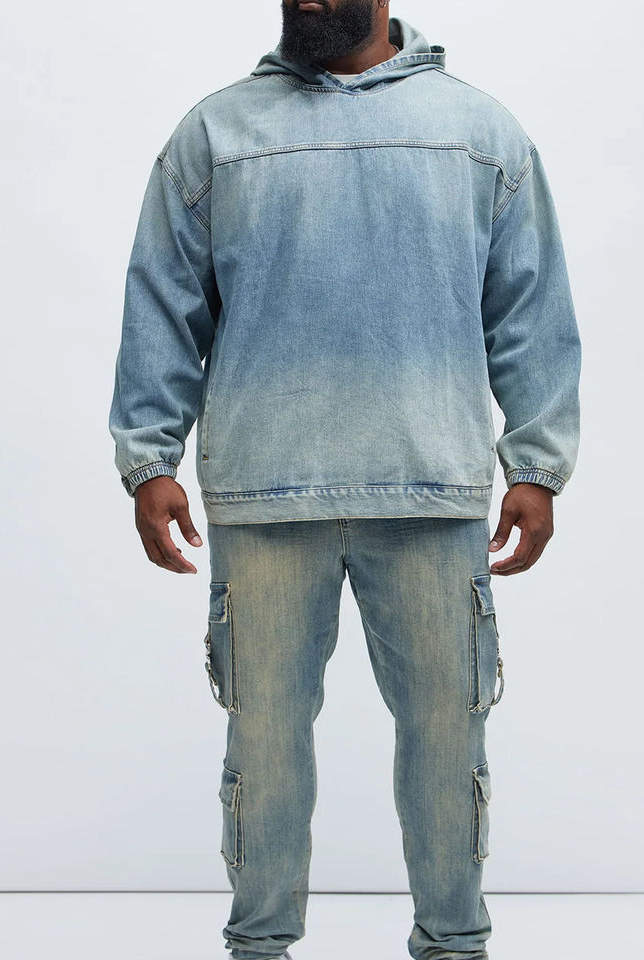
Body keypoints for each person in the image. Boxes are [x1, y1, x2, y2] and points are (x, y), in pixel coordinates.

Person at [108, 2, 582, 958]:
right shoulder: (217, 132)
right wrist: (149, 456)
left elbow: (528, 304)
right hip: (265, 492)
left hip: (431, 489)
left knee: (448, 744)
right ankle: (259, 947)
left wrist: (537, 463)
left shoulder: (478, 131)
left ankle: (454, 945)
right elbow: (163, 296)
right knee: (263, 749)